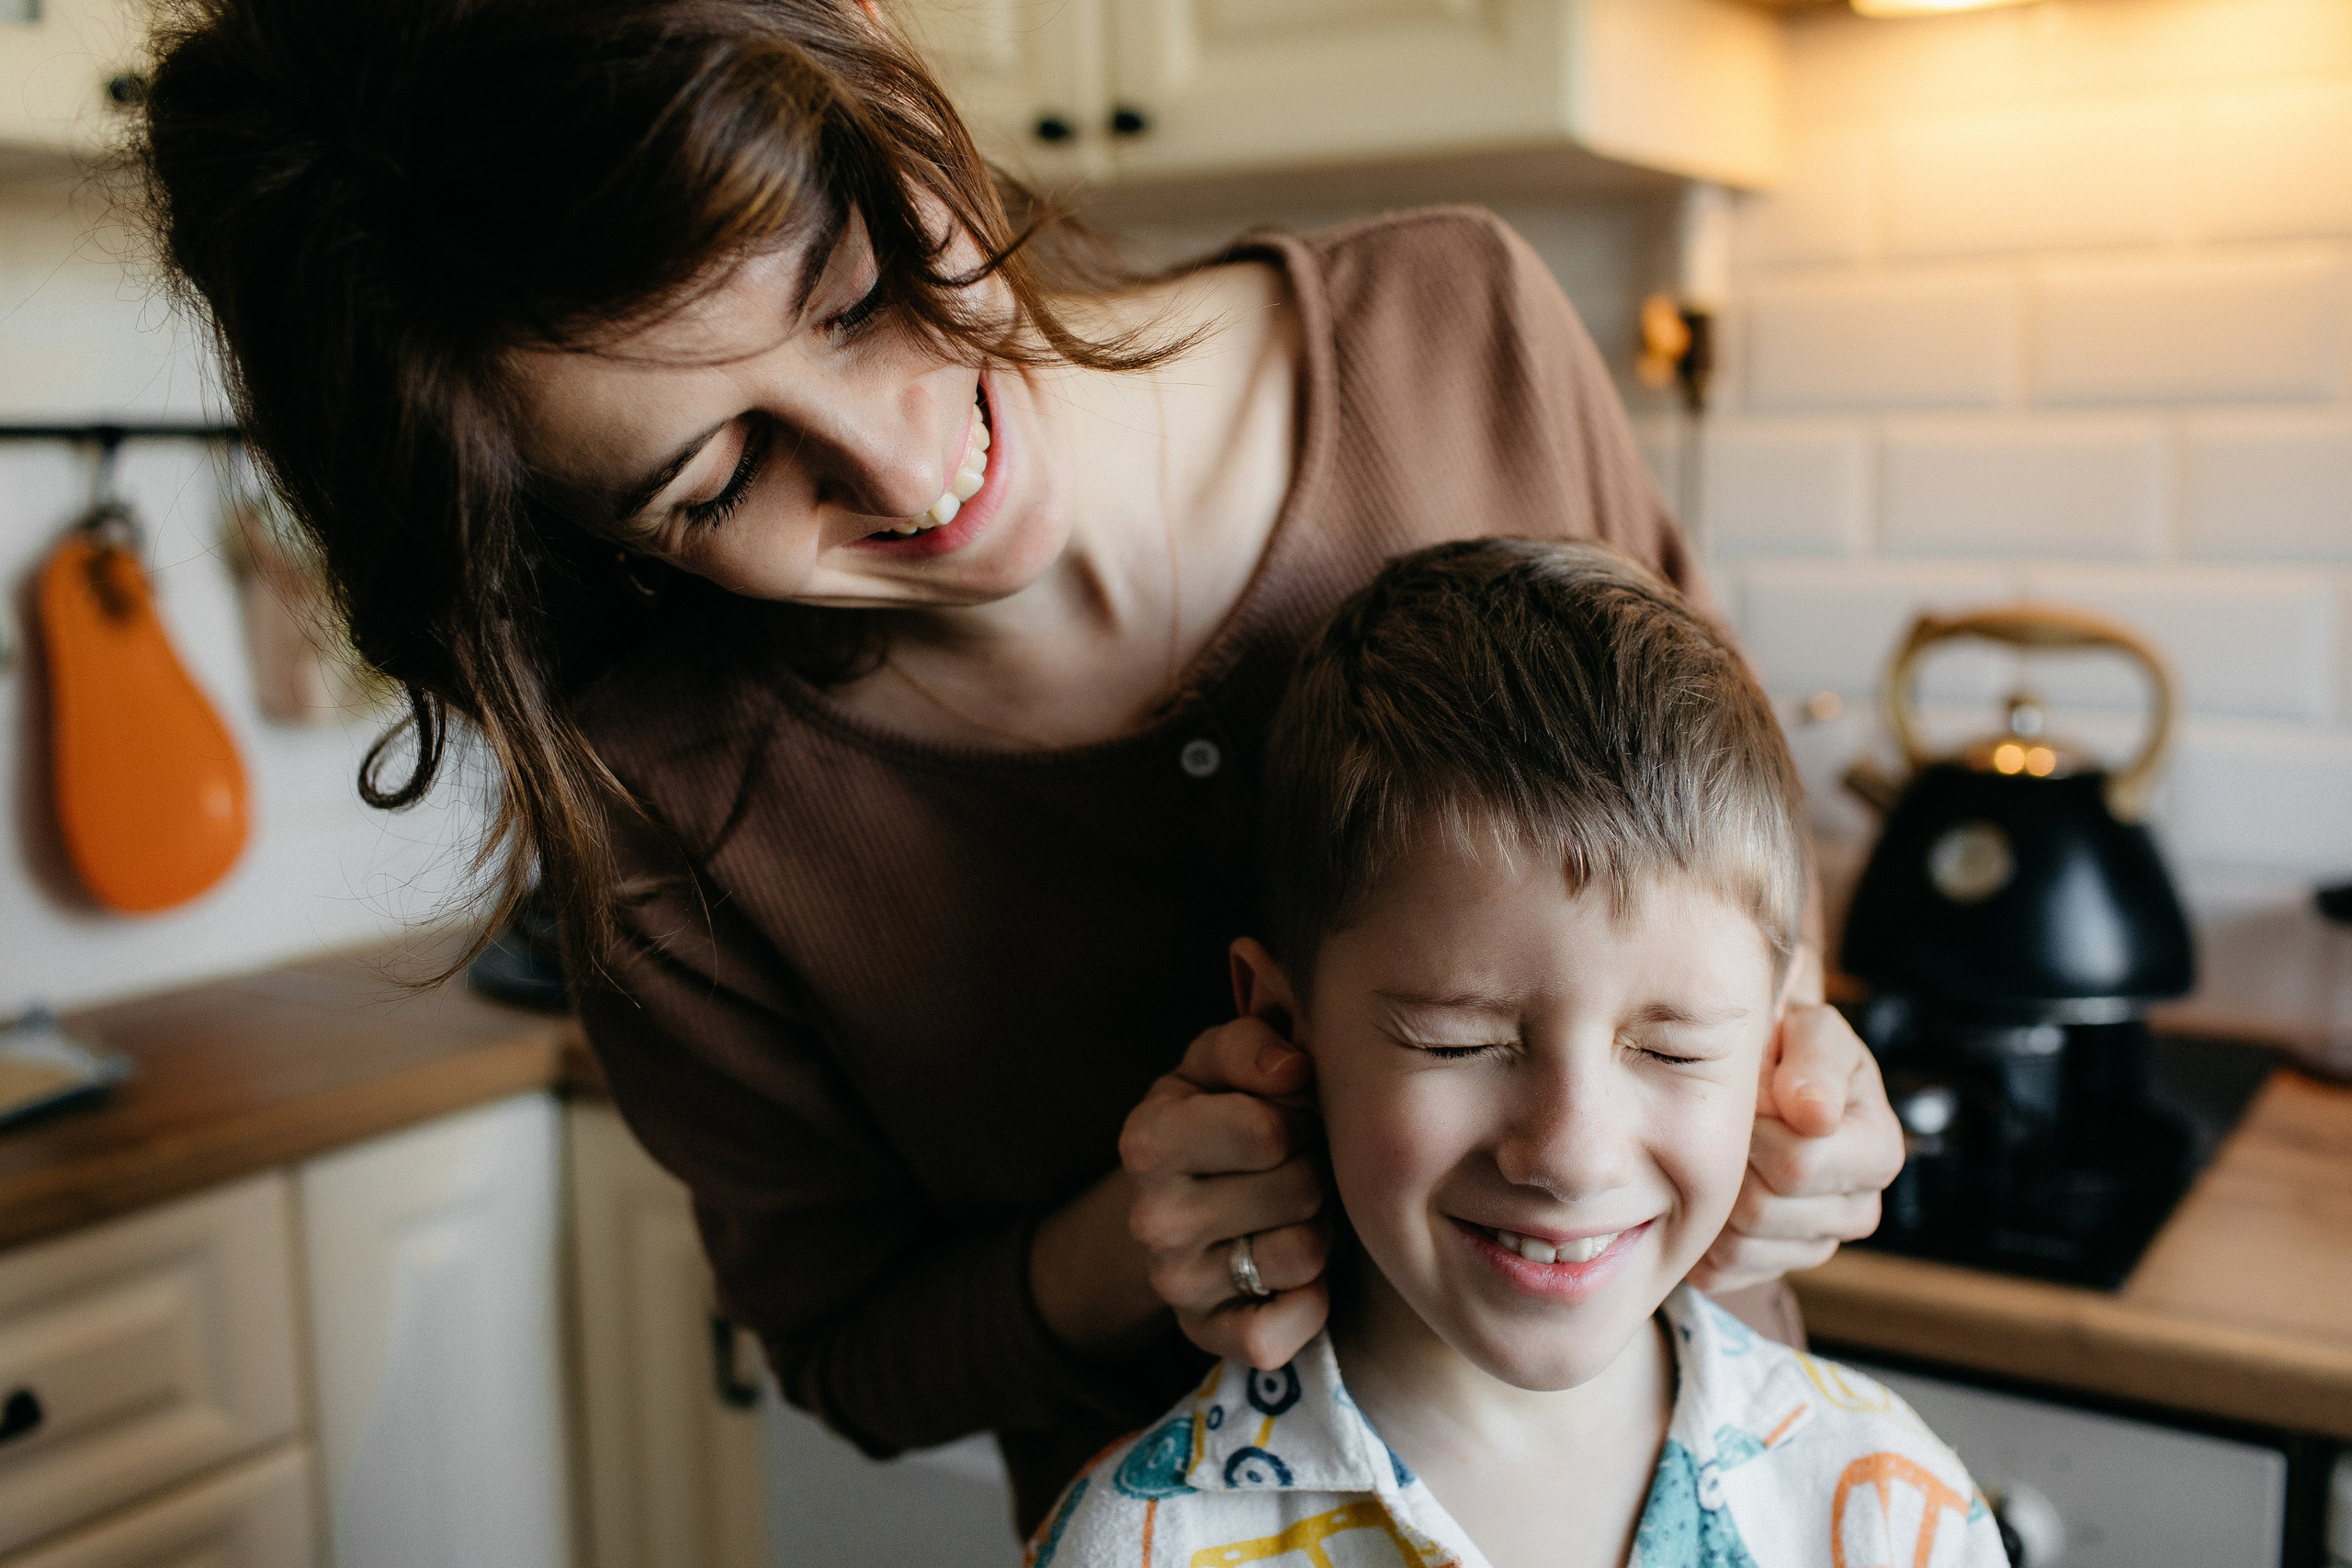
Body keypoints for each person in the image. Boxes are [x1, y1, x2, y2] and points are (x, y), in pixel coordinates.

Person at [133, 0, 1903, 1534]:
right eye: (713, 480)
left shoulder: (1465, 336)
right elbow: (855, 1357)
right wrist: (1118, 1248)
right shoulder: (674, 815)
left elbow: (1740, 877)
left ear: (875, 56)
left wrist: (1801, 1083)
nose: (903, 470)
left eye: (848, 295)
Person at [1036, 539, 2005, 1568]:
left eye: (1674, 1051)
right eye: (1459, 1042)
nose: (1571, 1153)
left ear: (1780, 1034)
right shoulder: (1141, 1545)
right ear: (1280, 1028)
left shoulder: (1888, 1507)